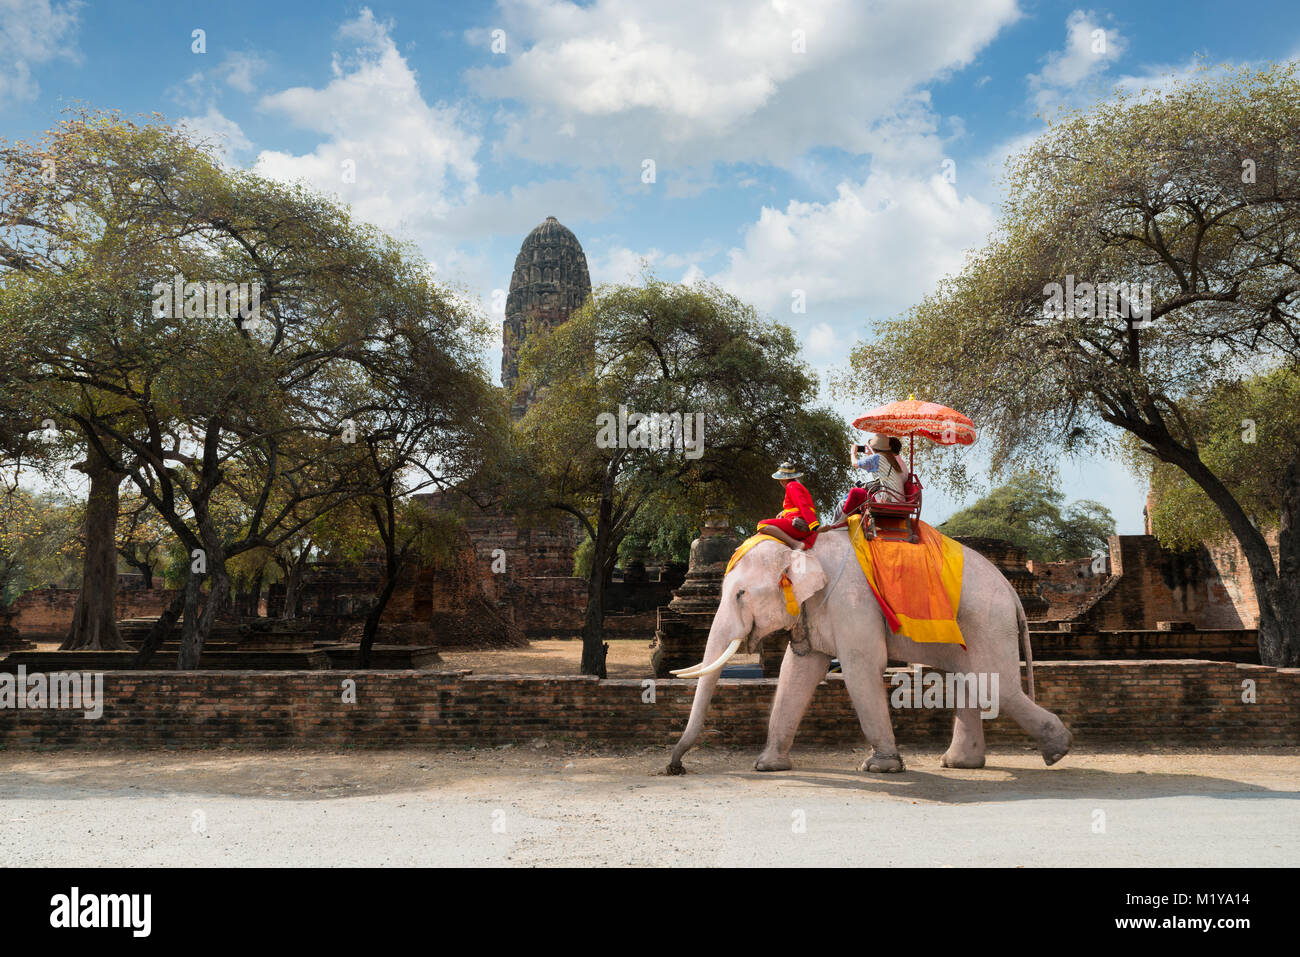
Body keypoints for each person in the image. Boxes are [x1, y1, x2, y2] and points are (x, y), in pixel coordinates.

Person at [756, 461, 820, 548]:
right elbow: (795, 507)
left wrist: (814, 525)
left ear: (784, 479)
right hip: (799, 522)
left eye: (781, 479)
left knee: (762, 524)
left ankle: (795, 544)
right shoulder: (795, 485)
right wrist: (783, 513)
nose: (780, 481)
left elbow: (802, 506)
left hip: (798, 525)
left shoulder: (792, 486)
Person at [854, 434, 907, 503]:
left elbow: (880, 476)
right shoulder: (899, 461)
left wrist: (853, 452)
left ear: (889, 447)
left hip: (889, 498)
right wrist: (870, 455)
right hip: (898, 497)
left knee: (854, 492)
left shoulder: (891, 461)